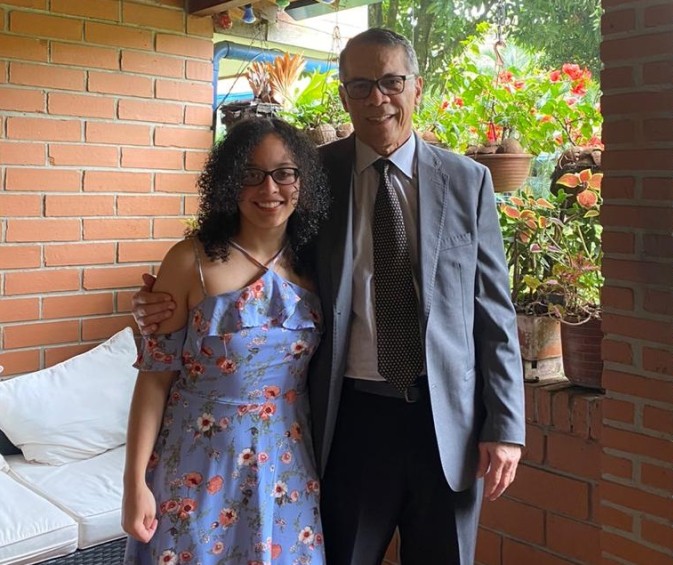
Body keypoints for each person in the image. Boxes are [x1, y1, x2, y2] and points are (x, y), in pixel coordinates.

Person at [132, 28, 525, 565]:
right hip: (349, 422)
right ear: (343, 95)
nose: (376, 99)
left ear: (416, 88)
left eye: (391, 82)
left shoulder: (468, 181)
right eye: (360, 85)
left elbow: (493, 314)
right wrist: (160, 307)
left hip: (447, 424)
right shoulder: (313, 176)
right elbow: (250, 254)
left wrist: (506, 427)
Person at [122, 117, 330, 565]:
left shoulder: (317, 263)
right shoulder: (189, 261)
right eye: (250, 174)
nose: (268, 188)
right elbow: (155, 380)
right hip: (197, 465)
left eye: (284, 173)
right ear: (228, 182)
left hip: (286, 467)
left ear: (302, 181)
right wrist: (133, 483)